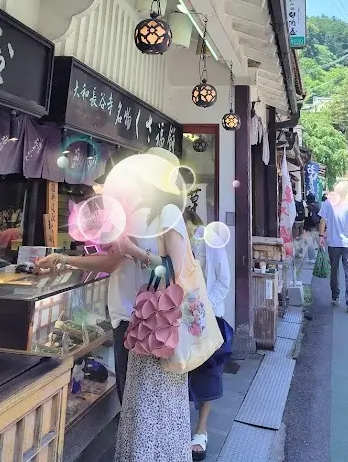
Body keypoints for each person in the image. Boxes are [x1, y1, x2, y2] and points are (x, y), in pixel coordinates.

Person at [37, 148, 193, 462]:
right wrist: (66, 259)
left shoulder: (168, 217)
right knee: (133, 406)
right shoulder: (139, 214)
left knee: (154, 408)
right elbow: (111, 261)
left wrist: (136, 251)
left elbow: (178, 272)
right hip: (129, 321)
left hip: (155, 327)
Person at [183, 207, 231, 461]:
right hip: (181, 317)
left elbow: (224, 280)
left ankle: (201, 430)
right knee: (180, 370)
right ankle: (179, 425)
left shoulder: (210, 241)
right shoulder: (175, 241)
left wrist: (204, 305)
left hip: (210, 317)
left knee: (208, 373)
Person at [318, 182, 348, 314]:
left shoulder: (327, 204)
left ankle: (335, 297)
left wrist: (320, 236)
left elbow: (322, 221)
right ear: (346, 193)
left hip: (333, 244)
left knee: (334, 271)